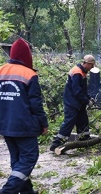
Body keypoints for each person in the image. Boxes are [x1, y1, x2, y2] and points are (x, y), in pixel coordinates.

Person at [0, 38, 49, 194]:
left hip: (5, 125)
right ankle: (7, 191)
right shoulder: (29, 74)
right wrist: (43, 123)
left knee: (17, 161)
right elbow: (36, 104)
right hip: (24, 126)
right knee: (28, 159)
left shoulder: (1, 70)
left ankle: (27, 192)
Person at [50, 54, 96, 151]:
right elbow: (77, 91)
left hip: (78, 103)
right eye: (91, 65)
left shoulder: (82, 72)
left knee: (83, 121)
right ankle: (56, 143)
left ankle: (84, 140)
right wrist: (87, 101)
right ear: (87, 63)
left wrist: (89, 98)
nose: (92, 68)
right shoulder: (77, 72)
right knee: (69, 123)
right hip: (72, 103)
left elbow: (83, 90)